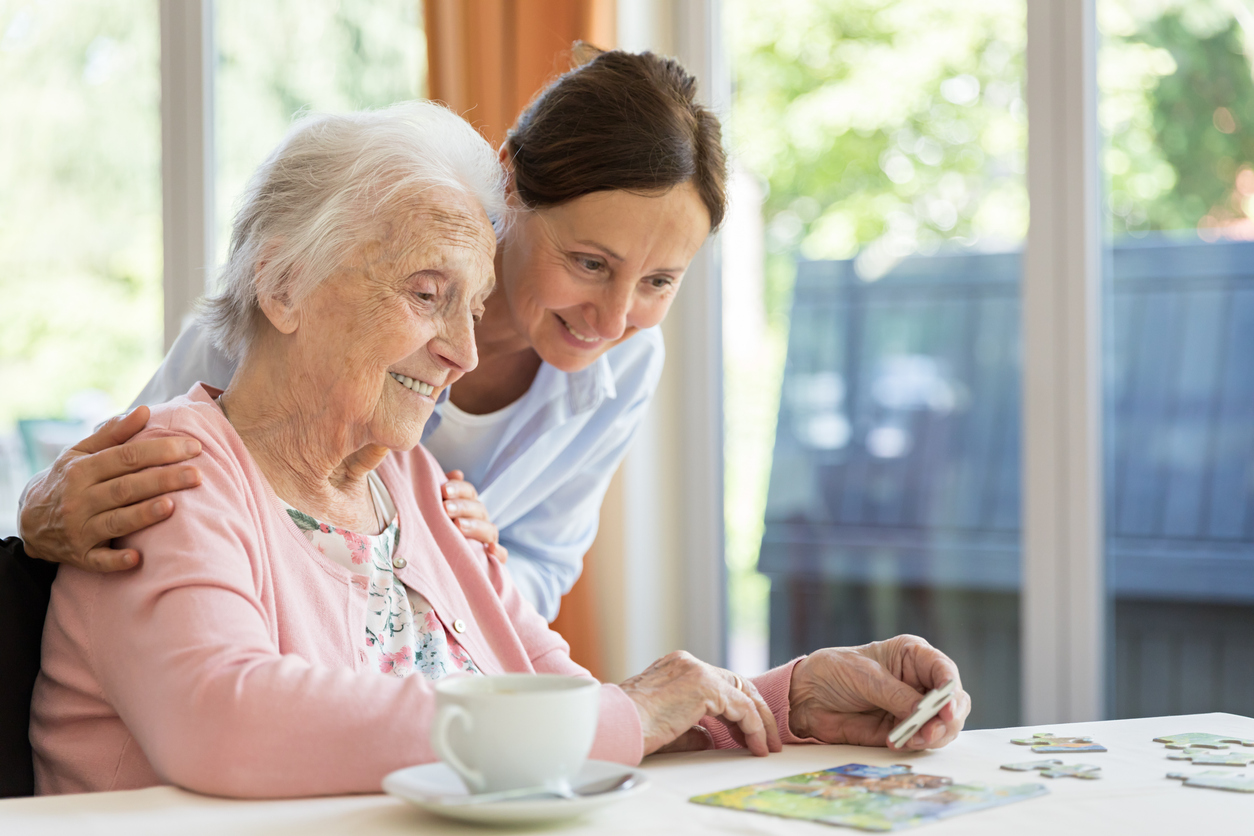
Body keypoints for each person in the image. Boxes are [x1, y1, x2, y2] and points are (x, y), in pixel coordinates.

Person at [31, 103, 970, 798]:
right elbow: (226, 721)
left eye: (473, 307)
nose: (465, 352)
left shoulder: (422, 490)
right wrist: (616, 714)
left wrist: (786, 698)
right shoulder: (165, 475)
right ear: (284, 285)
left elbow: (569, 711)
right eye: (427, 293)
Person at [19, 47, 723, 621]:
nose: (613, 317)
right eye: (590, 263)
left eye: (660, 281)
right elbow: (118, 477)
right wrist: (35, 520)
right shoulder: (328, 292)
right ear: (508, 179)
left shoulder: (627, 366)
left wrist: (479, 567)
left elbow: (543, 562)